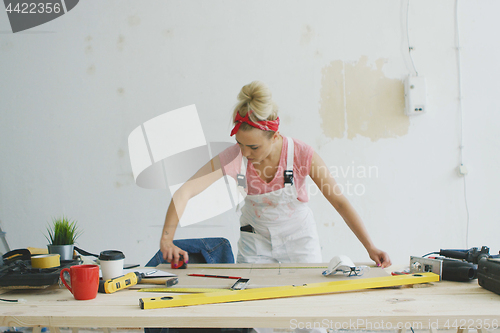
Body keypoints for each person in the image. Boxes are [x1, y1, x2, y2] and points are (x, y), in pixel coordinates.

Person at [160, 80, 391, 270]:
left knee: (305, 308)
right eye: (240, 143)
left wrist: (370, 247)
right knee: (252, 309)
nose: (245, 153)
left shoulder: (301, 154)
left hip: (299, 237)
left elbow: (339, 202)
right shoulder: (234, 157)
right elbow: (185, 191)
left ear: (275, 136)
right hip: (255, 240)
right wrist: (167, 239)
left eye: (254, 147)